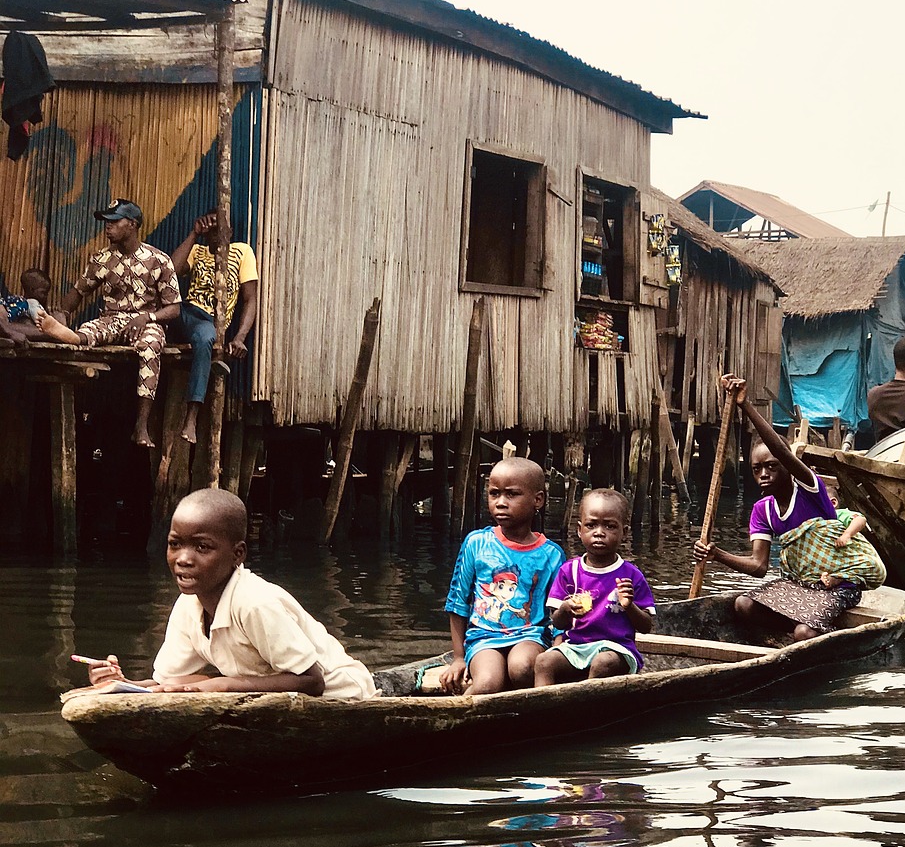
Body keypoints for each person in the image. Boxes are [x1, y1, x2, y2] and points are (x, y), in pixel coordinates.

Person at [83, 487, 376, 699]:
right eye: (175, 544)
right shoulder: (189, 604)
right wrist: (122, 684)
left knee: (206, 683)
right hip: (274, 696)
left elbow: (313, 681)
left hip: (343, 696)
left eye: (202, 547)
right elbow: (169, 682)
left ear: (237, 554)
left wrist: (222, 685)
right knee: (192, 682)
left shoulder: (253, 602)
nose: (183, 558)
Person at [692, 375, 857, 641]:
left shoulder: (809, 489)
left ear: (785, 467)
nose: (764, 474)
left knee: (804, 632)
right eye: (757, 469)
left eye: (772, 466)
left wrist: (745, 406)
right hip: (798, 585)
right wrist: (716, 554)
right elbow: (759, 567)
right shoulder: (762, 510)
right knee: (742, 605)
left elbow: (781, 450)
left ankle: (812, 631)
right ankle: (793, 630)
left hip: (835, 586)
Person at [38, 199, 181, 446]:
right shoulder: (102, 259)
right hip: (112, 319)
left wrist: (148, 317)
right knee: (89, 331)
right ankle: (71, 335)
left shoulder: (158, 259)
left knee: (150, 347)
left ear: (132, 225)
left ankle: (141, 425)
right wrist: (62, 312)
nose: (108, 227)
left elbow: (174, 309)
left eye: (114, 222)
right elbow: (78, 292)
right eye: (107, 222)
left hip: (147, 321)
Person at [440, 458, 564, 696]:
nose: (501, 503)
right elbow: (457, 603)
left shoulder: (551, 555)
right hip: (483, 638)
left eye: (512, 494)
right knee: (487, 683)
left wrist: (557, 649)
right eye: (494, 494)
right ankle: (454, 726)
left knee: (523, 668)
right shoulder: (476, 544)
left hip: (530, 636)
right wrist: (458, 657)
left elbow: (557, 609)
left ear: (537, 500)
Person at [535, 488, 655, 687]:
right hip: (577, 647)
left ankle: (587, 708)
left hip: (617, 649)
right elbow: (558, 623)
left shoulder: (631, 575)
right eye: (591, 525)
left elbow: (646, 626)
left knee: (603, 663)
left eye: (609, 526)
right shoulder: (569, 571)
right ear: (580, 530)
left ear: (624, 532)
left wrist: (629, 606)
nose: (599, 533)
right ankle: (542, 710)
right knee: (543, 662)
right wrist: (565, 608)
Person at [169, 212, 259, 444]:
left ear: (230, 231)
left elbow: (250, 299)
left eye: (222, 227)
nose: (216, 231)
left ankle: (191, 418)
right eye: (211, 227)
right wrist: (194, 233)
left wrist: (239, 337)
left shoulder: (242, 252)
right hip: (183, 312)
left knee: (206, 338)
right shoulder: (197, 250)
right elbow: (172, 272)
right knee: (159, 313)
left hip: (207, 322)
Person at [0, 268, 50, 344]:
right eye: (44, 293)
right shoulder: (32, 303)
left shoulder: (14, 300)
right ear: (32, 290)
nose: (46, 296)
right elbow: (44, 324)